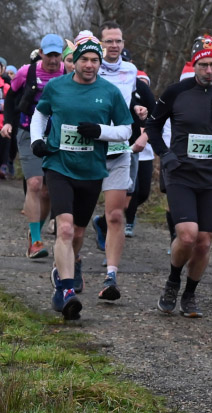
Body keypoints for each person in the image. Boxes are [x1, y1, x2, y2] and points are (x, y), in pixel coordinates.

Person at [146, 34, 212, 318]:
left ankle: (190, 294)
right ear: (194, 65)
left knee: (204, 242)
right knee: (188, 235)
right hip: (180, 173)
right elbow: (152, 126)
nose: (209, 71)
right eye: (203, 65)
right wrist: (164, 154)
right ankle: (172, 281)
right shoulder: (176, 92)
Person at [30, 31, 132, 320]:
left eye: (94, 60)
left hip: (91, 170)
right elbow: (40, 114)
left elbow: (126, 129)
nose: (89, 65)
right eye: (84, 59)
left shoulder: (109, 92)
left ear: (100, 63)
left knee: (76, 233)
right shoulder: (57, 87)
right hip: (59, 164)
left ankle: (64, 269)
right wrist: (37, 139)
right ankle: (65, 291)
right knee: (64, 228)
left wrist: (100, 131)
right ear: (74, 61)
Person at [86, 21, 142, 300]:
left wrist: (140, 112)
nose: (114, 46)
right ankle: (70, 266)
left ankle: (111, 276)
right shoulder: (89, 67)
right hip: (89, 149)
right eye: (109, 41)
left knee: (117, 214)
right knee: (77, 217)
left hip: (119, 148)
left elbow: (131, 102)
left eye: (118, 41)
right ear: (100, 43)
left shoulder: (130, 70)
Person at [1, 34, 66, 259]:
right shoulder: (26, 72)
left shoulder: (67, 73)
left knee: (48, 191)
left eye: (57, 55)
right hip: (28, 131)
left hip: (56, 135)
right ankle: (36, 241)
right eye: (49, 55)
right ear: (40, 53)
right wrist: (8, 122)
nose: (53, 60)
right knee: (35, 183)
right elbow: (11, 98)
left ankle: (34, 230)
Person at [125, 70, 156, 237]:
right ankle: (127, 221)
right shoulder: (127, 99)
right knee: (132, 190)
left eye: (146, 84)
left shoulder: (150, 102)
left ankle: (126, 212)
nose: (143, 87)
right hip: (128, 149)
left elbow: (159, 124)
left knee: (143, 193)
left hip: (146, 154)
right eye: (140, 83)